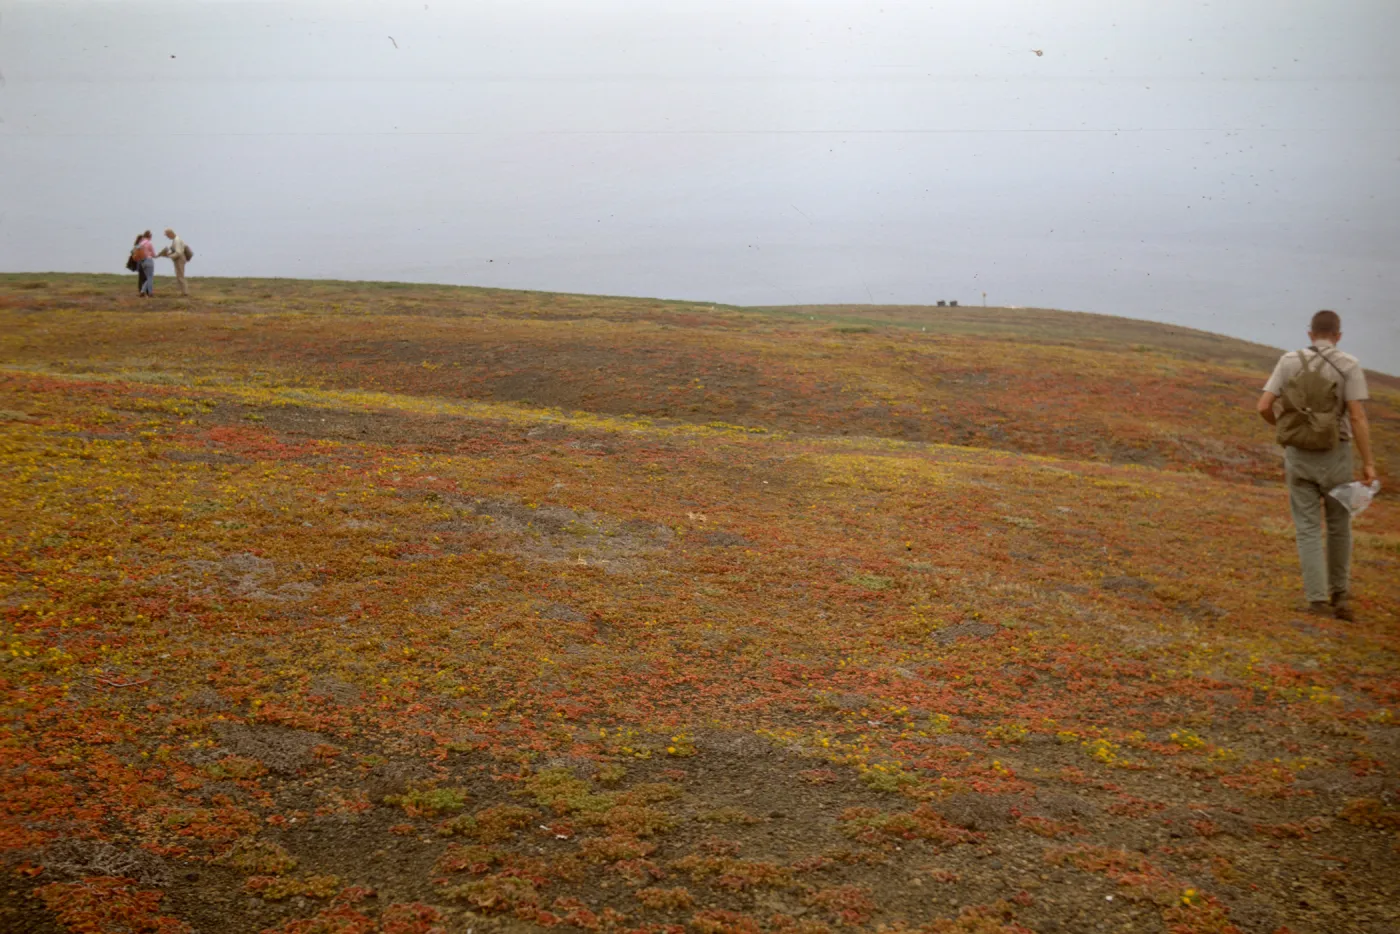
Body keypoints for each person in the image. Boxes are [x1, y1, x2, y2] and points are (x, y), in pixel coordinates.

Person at [1256, 310, 1377, 621]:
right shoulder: (1348, 364)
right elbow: (1358, 418)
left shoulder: (1288, 361)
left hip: (1298, 454)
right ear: (1338, 335)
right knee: (1339, 525)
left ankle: (1317, 600)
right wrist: (1369, 464)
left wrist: (1284, 427)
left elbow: (1264, 406)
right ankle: (1340, 596)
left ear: (1310, 333)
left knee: (1307, 528)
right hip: (1337, 454)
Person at [159, 228, 190, 296]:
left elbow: (178, 253)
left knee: (180, 275)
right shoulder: (175, 240)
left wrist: (169, 256)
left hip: (179, 259)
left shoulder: (176, 240)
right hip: (178, 259)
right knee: (179, 275)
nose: (167, 237)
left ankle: (185, 292)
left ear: (170, 234)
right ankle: (184, 292)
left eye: (167, 235)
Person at [133, 230, 157, 298]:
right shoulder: (149, 243)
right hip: (149, 260)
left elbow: (136, 251)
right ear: (150, 236)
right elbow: (153, 254)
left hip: (142, 262)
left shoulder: (141, 243)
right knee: (150, 278)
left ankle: (142, 291)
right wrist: (157, 255)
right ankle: (150, 293)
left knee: (148, 278)